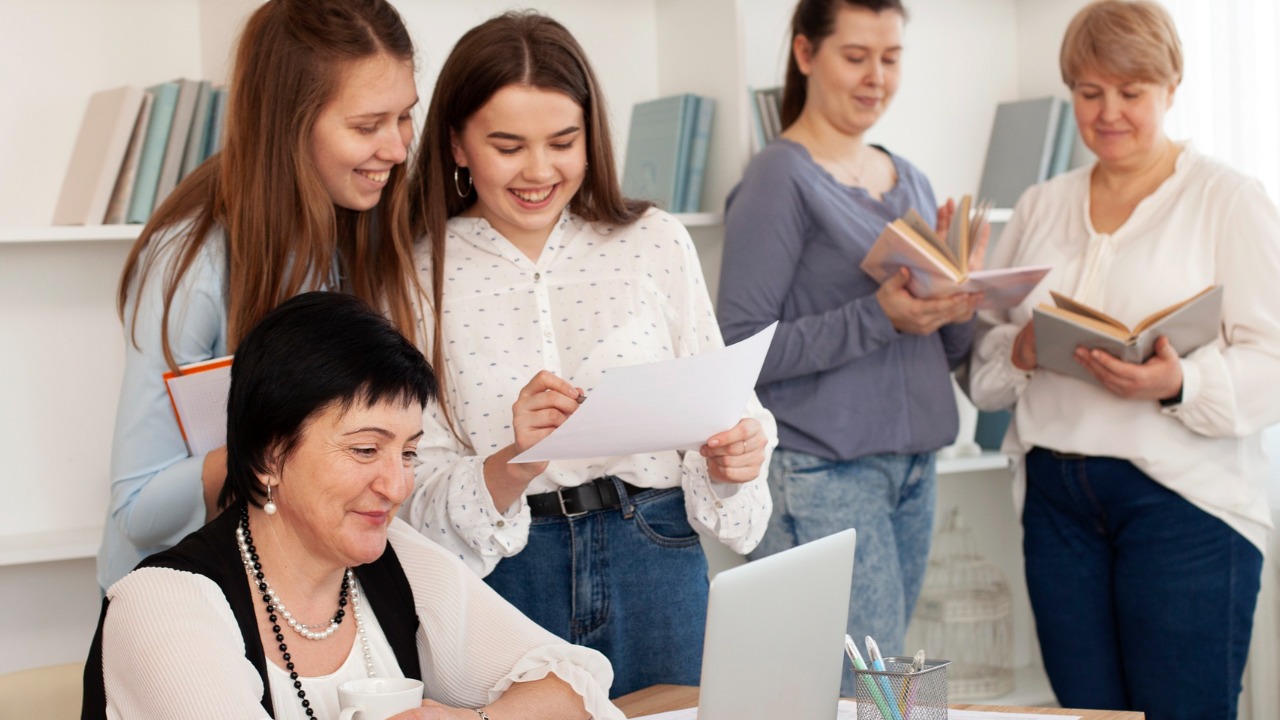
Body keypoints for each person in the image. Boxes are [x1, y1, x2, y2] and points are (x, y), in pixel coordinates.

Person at [403, 11, 776, 697]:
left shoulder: (654, 242)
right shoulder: (412, 272)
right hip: (506, 580)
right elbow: (408, 497)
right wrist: (513, 464)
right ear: (457, 144)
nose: (539, 170)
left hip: (656, 556)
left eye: (563, 141)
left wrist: (736, 460)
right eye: (507, 145)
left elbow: (729, 416)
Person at [83, 292, 622, 719]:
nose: (396, 486)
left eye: (408, 452)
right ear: (271, 455)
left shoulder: (398, 556)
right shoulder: (161, 603)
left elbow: (577, 684)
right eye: (365, 449)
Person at [966, 2, 1280, 717]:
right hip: (1057, 501)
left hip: (1184, 504)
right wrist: (1017, 349)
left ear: (1171, 87)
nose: (1108, 113)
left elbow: (1275, 359)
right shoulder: (1042, 203)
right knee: (1087, 713)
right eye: (1089, 92)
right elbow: (982, 364)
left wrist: (1181, 381)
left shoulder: (1227, 199)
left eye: (1131, 93)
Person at [99, 0, 425, 590]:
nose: (398, 148)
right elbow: (137, 509)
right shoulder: (193, 261)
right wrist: (281, 447)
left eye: (404, 117)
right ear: (289, 126)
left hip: (293, 594)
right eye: (366, 125)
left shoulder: (361, 225)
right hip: (177, 605)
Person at [716, 0, 983, 696]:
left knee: (883, 681)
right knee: (879, 692)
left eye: (890, 59)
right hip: (824, 473)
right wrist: (881, 316)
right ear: (805, 54)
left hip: (915, 467)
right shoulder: (780, 177)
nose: (876, 78)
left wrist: (960, 295)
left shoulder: (911, 179)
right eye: (856, 56)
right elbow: (740, 350)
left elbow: (946, 346)